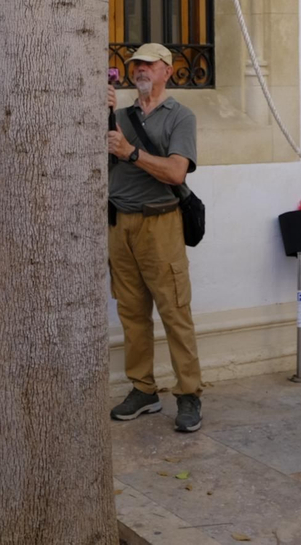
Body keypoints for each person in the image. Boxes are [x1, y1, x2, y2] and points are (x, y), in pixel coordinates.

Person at [106, 43, 204, 434]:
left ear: (168, 70)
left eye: (148, 64)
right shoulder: (118, 117)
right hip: (119, 225)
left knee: (174, 311)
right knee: (131, 312)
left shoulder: (181, 117)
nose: (140, 70)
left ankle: (189, 394)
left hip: (162, 224)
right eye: (135, 65)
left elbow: (177, 173)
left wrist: (131, 153)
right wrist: (97, 116)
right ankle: (143, 389)